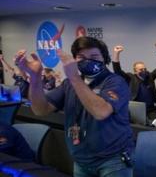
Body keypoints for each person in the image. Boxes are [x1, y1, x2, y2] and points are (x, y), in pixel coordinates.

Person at [15, 36, 134, 177]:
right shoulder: (69, 84)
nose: (88, 60)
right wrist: (35, 78)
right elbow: (40, 110)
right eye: (81, 57)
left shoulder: (115, 82)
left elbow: (101, 112)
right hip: (81, 160)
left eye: (94, 56)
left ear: (104, 58)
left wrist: (74, 77)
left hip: (113, 161)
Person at [112, 45, 156, 120]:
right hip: (136, 110)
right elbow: (117, 71)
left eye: (145, 69)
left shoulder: (150, 77)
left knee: (155, 126)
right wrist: (116, 54)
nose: (144, 71)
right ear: (135, 71)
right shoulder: (131, 78)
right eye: (141, 70)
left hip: (151, 110)